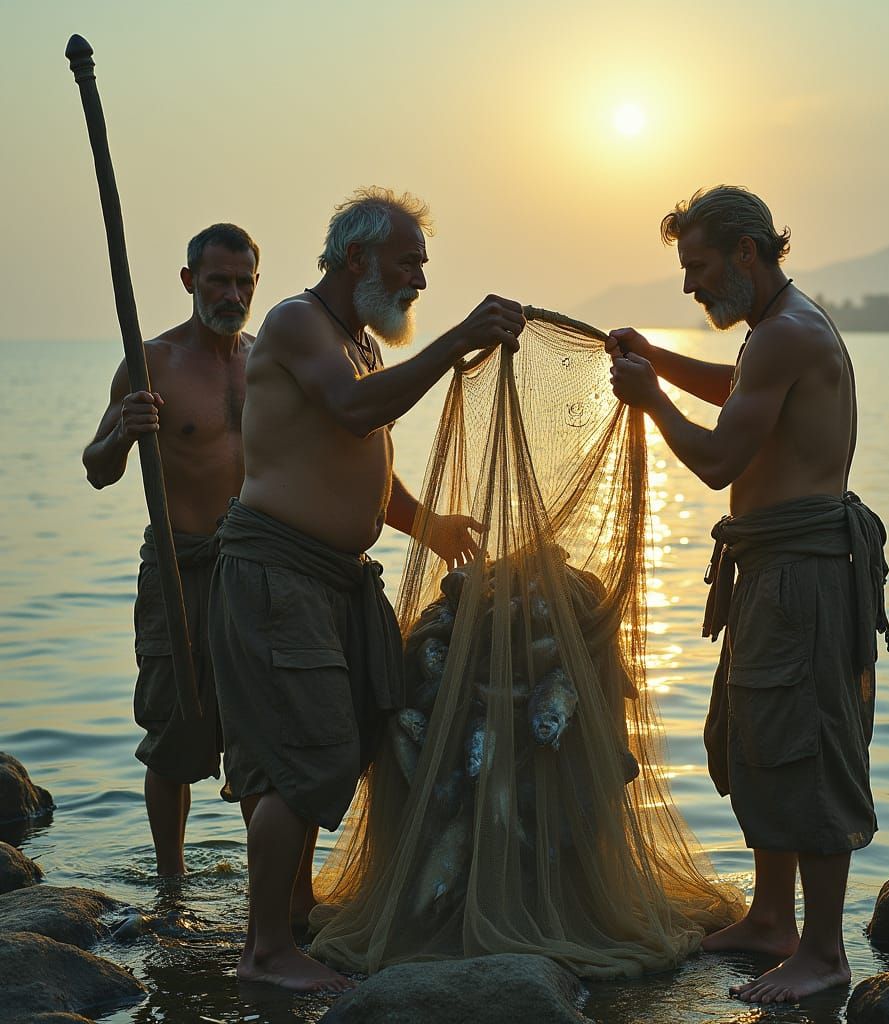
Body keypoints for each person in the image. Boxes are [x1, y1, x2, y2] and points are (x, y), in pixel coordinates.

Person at [207, 187, 525, 992]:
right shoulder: (296, 323)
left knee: (340, 745)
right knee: (302, 760)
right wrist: (457, 341)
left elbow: (364, 462)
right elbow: (351, 412)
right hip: (279, 576)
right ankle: (265, 953)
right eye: (408, 263)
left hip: (338, 582)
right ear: (357, 258)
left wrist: (429, 526)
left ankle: (294, 912)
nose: (420, 280)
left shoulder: (361, 345)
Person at [606, 186, 889, 1004]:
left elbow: (717, 461)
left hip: (802, 576)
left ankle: (824, 954)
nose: (690, 285)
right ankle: (771, 920)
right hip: (775, 568)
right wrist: (658, 359)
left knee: (807, 746)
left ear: (745, 250)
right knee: (760, 736)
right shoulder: (775, 330)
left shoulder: (786, 334)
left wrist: (649, 398)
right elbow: (739, 387)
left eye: (697, 266)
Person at [83, 223, 260, 876]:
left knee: (260, 730)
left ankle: (266, 892)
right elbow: (97, 469)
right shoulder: (150, 362)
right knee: (171, 732)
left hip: (253, 568)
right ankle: (171, 883)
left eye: (243, 282)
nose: (232, 294)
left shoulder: (266, 361)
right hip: (177, 566)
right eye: (218, 281)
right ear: (190, 281)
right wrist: (123, 435)